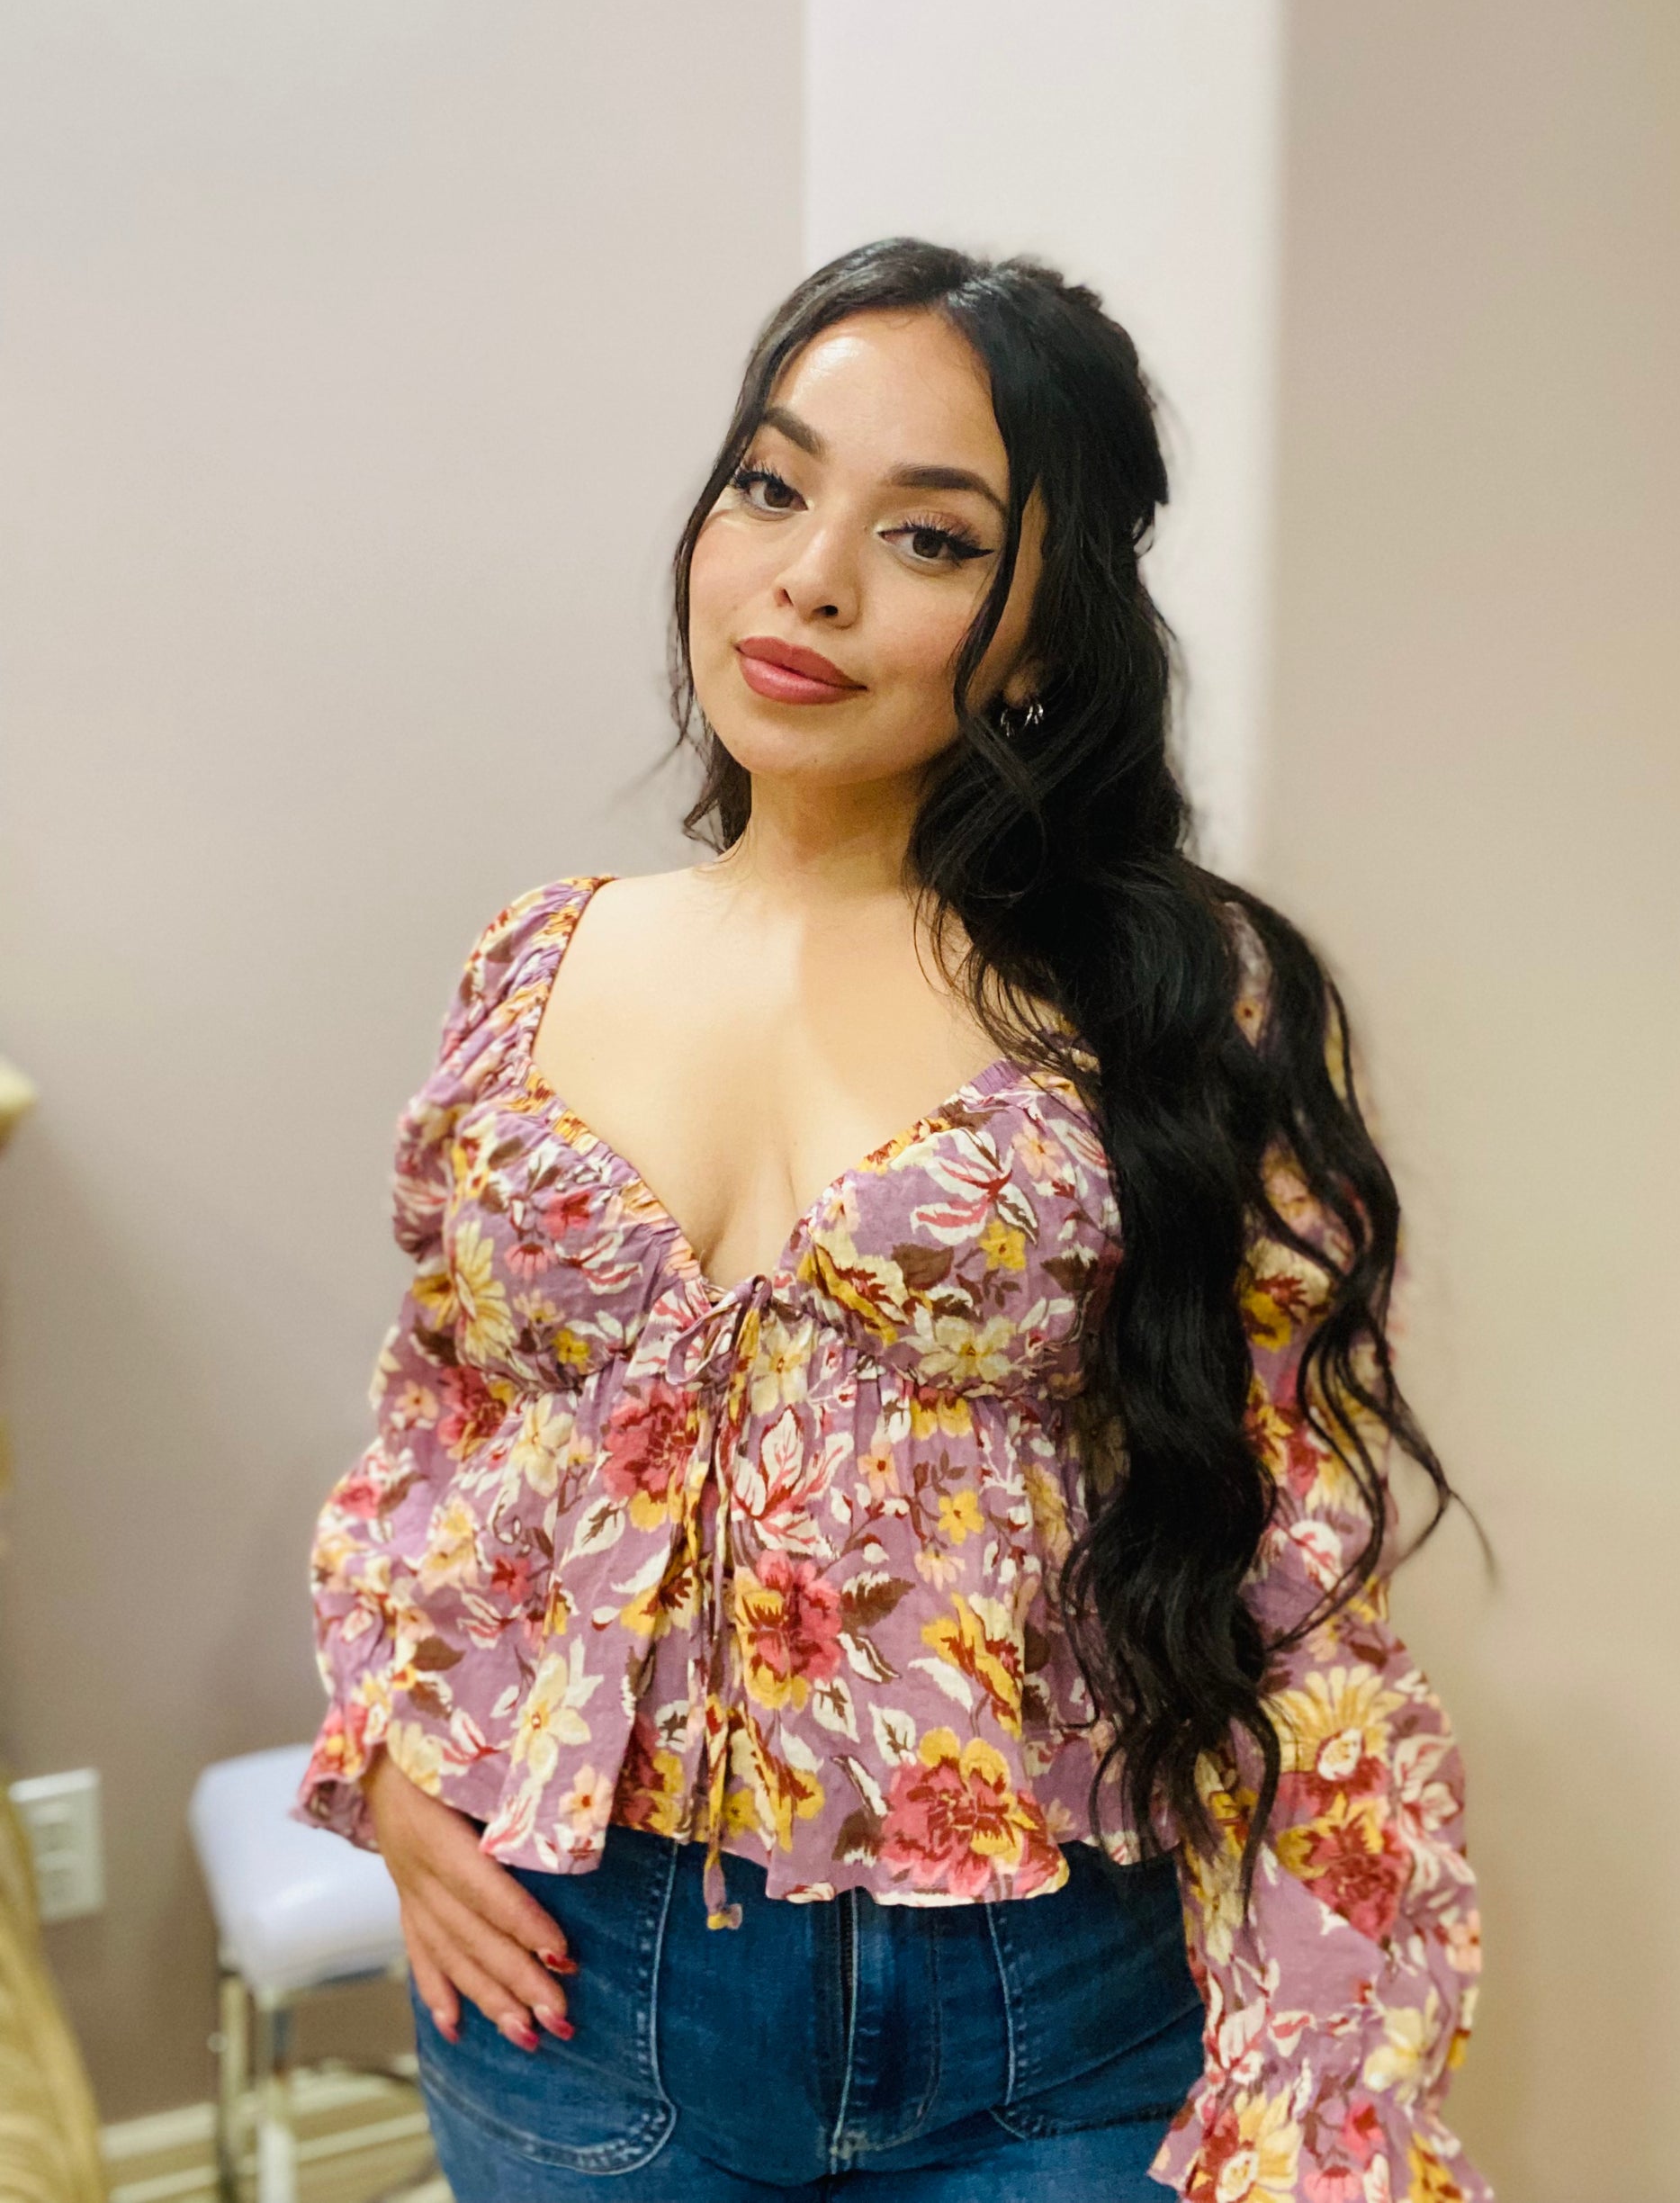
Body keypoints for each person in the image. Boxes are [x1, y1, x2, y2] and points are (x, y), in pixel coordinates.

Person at [292, 239, 1489, 2203]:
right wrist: (394, 1753)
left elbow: (1302, 1567)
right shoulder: (538, 961)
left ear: (1042, 634)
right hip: (568, 1982)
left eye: (928, 539)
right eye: (771, 487)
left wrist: (1319, 2099)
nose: (811, 580)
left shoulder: (1181, 1007)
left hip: (1054, 2016)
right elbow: (445, 1424)